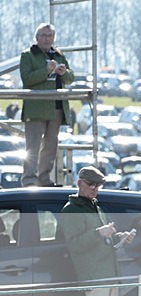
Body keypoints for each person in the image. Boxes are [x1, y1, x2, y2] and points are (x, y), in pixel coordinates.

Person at [61, 166, 135, 296]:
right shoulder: (70, 209)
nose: (95, 189)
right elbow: (74, 244)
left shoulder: (95, 206)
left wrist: (119, 237)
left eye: (98, 185)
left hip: (109, 273)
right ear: (79, 183)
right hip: (94, 275)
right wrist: (98, 233)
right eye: (91, 184)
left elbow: (104, 240)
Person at [19, 23, 74, 187]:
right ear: (36, 38)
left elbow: (71, 78)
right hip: (36, 108)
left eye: (50, 36)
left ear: (53, 38)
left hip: (56, 108)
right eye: (43, 35)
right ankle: (29, 179)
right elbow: (27, 79)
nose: (47, 38)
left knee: (51, 146)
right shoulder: (27, 55)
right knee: (33, 146)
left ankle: (44, 179)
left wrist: (64, 73)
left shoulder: (59, 55)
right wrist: (46, 70)